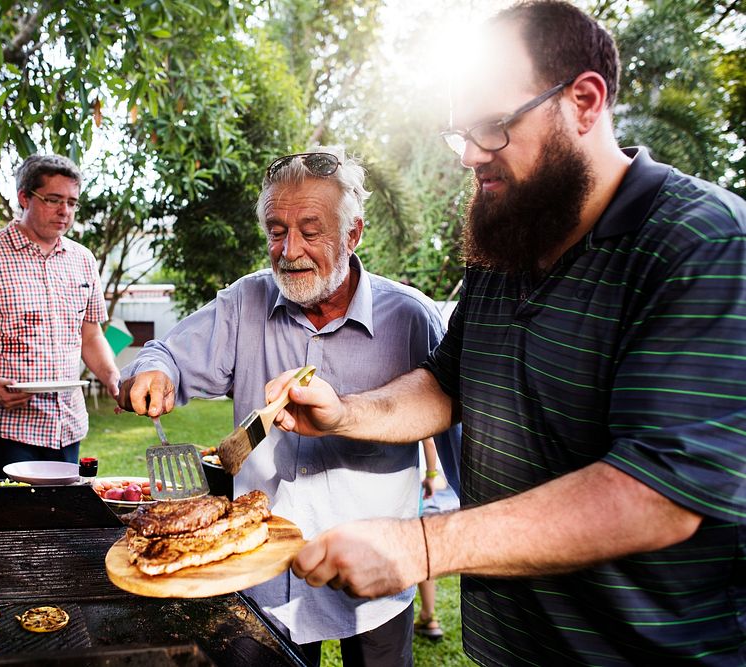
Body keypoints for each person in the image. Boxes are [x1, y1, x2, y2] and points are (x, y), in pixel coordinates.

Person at [267, 3, 746, 665]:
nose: (469, 155)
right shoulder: (507, 234)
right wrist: (347, 413)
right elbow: (447, 383)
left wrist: (421, 546)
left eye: (492, 127)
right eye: (459, 132)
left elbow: (659, 491)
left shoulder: (702, 241)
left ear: (584, 101)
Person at [117, 145, 460, 666]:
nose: (289, 249)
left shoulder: (411, 318)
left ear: (354, 233)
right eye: (277, 231)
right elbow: (163, 352)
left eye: (310, 229)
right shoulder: (243, 303)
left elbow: (456, 426)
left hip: (372, 585)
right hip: (262, 582)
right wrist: (153, 370)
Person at [0, 154, 120, 478]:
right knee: (6, 525)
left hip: (67, 426)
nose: (64, 211)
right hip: (5, 429)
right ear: (24, 197)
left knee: (60, 522)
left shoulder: (83, 260)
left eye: (72, 202)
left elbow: (91, 335)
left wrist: (112, 379)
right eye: (53, 200)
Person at [413, 436, 443, 642]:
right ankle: (429, 615)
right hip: (426, 486)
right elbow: (430, 442)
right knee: (424, 551)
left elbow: (429, 442)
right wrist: (432, 475)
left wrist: (430, 476)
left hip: (409, 484)